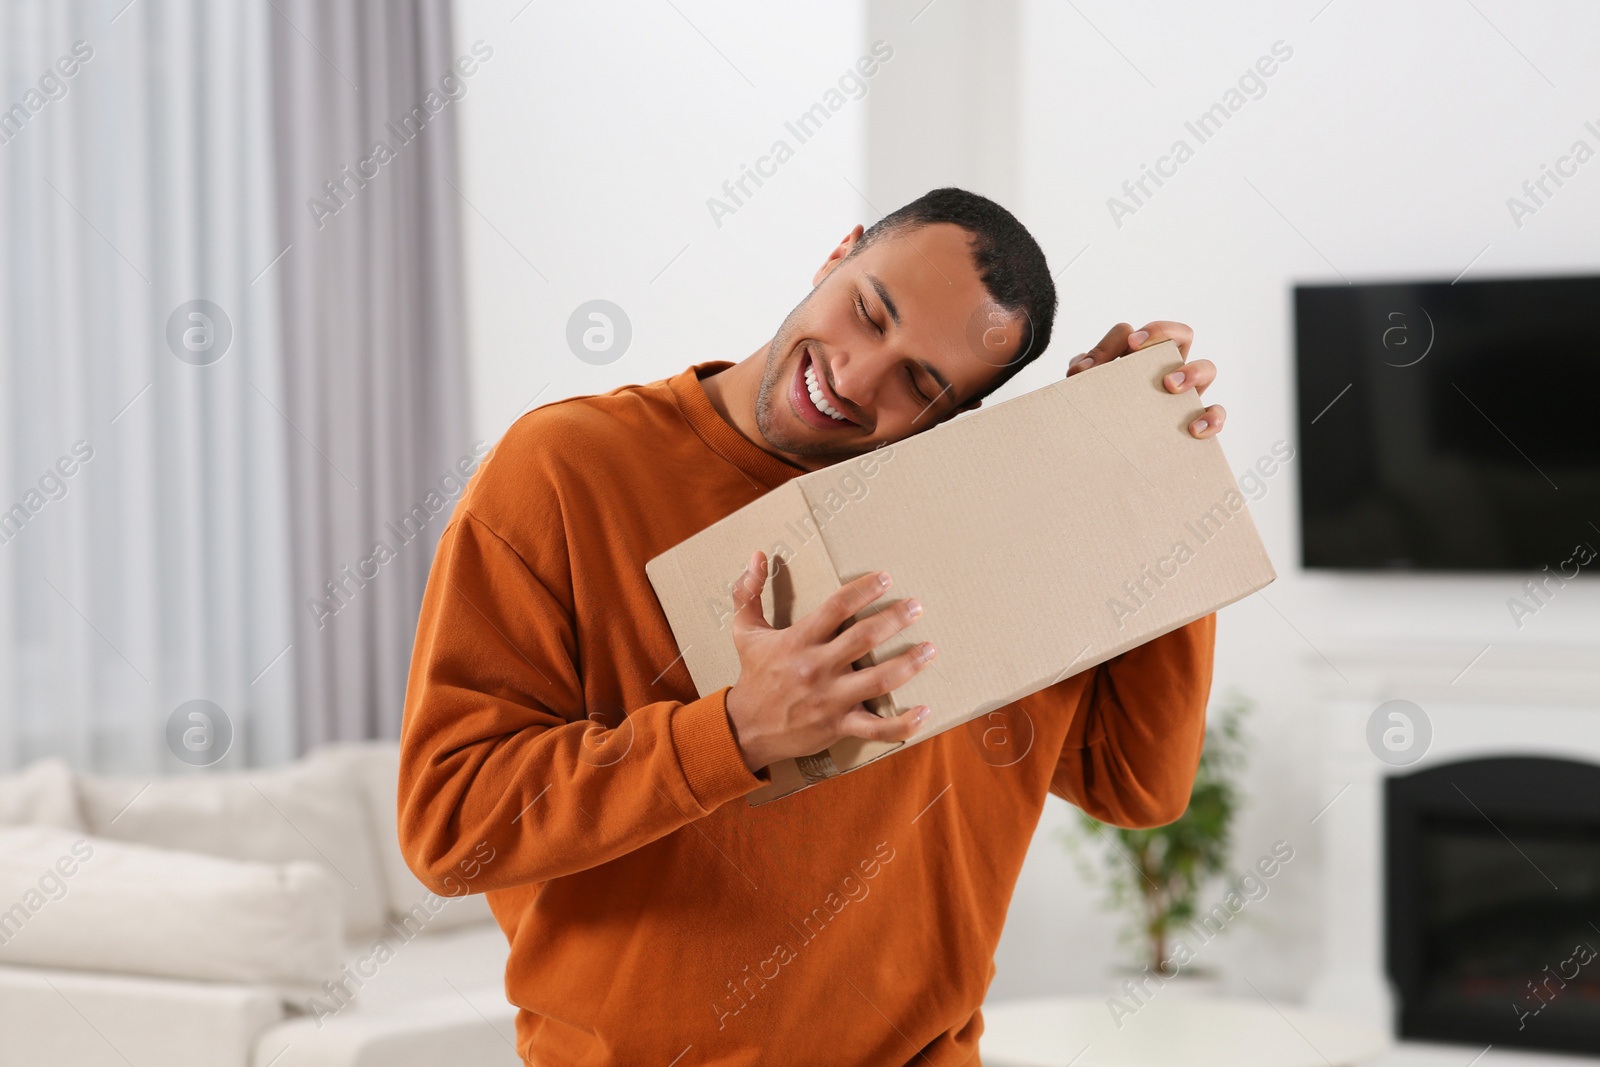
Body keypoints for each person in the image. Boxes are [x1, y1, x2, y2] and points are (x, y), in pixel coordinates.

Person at [398, 187, 1227, 1066]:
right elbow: (453, 827)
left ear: (955, 418)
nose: (857, 377)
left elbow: (1137, 784)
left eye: (921, 382)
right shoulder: (567, 470)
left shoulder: (983, 519)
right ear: (839, 253)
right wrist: (738, 730)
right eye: (870, 313)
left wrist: (1155, 480)